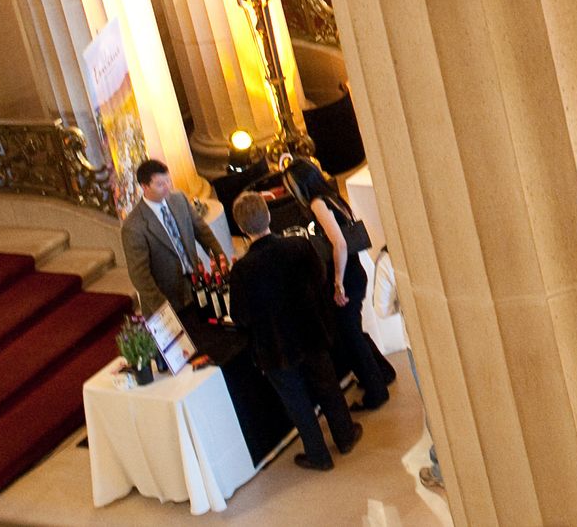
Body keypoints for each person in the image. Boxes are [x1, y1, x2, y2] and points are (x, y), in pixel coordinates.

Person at [227, 191, 361, 471]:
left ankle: (318, 455)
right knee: (328, 386)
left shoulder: (242, 270)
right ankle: (345, 436)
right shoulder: (298, 247)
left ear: (241, 229)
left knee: (297, 402)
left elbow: (240, 316)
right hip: (310, 331)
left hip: (276, 348)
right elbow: (320, 278)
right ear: (269, 216)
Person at [278, 154, 390, 410]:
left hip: (345, 276)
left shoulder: (317, 204)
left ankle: (376, 390)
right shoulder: (332, 196)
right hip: (355, 271)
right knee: (353, 331)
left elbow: (338, 243)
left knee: (349, 335)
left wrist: (337, 282)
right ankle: (382, 372)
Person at [121, 157, 225, 321]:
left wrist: (222, 262)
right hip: (167, 298)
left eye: (168, 181)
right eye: (160, 184)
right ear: (144, 187)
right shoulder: (134, 227)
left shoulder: (179, 200)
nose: (167, 187)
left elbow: (203, 233)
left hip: (195, 282)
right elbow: (140, 277)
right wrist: (163, 310)